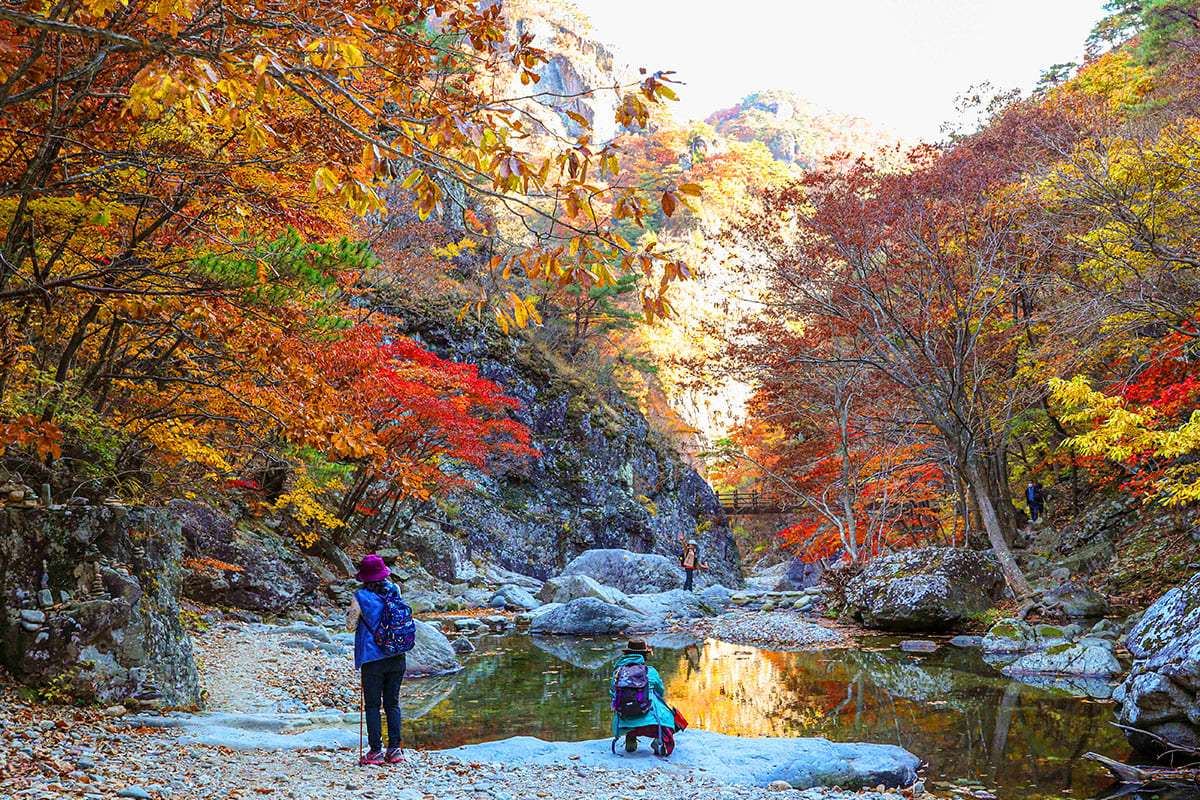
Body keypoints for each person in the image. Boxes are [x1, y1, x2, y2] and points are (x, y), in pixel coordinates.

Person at [347, 554, 407, 765]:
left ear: (364, 577)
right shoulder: (395, 590)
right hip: (397, 655)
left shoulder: (360, 597)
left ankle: (375, 751)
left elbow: (350, 625)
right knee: (393, 703)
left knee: (373, 704)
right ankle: (395, 750)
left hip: (373, 658)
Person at [610, 639, 684, 756]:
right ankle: (658, 740)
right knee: (675, 717)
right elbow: (661, 691)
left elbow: (613, 693)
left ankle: (630, 738)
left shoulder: (618, 672)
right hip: (651, 723)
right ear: (644, 655)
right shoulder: (651, 671)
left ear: (627, 654)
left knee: (625, 704)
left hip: (624, 722)